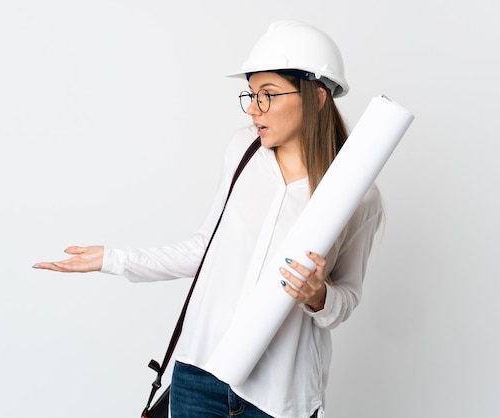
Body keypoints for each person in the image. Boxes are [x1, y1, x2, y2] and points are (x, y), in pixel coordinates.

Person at [33, 20, 383, 418]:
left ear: (318, 97)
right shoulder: (242, 152)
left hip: (279, 397)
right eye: (251, 95)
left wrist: (319, 296)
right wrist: (111, 259)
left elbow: (346, 301)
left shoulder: (358, 198)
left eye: (268, 95)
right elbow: (206, 251)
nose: (254, 109)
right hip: (199, 377)